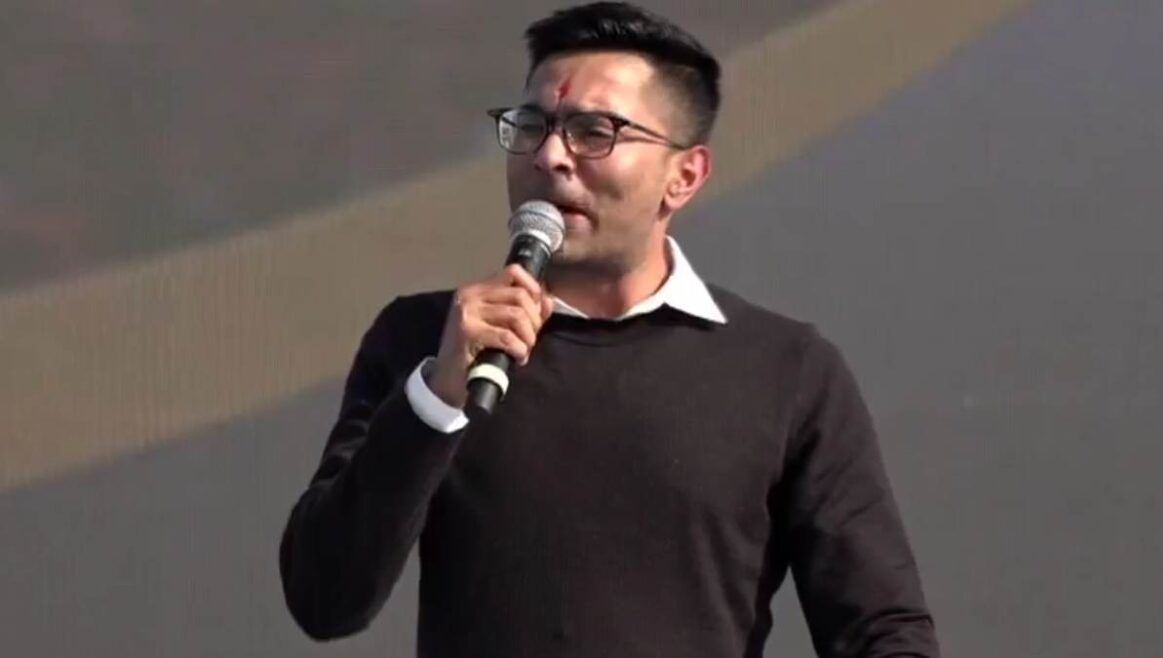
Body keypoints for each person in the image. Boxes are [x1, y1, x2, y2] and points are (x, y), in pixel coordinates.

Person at [279, 3, 939, 657]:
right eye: (531, 126)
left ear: (683, 176)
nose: (550, 157)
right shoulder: (428, 341)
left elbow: (882, 629)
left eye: (594, 132)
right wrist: (434, 400)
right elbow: (324, 599)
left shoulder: (784, 371)